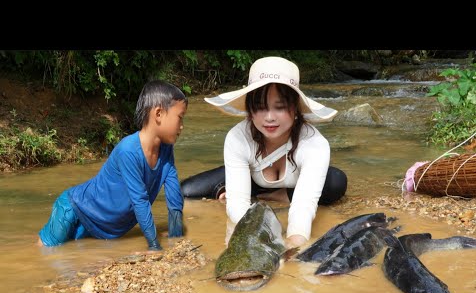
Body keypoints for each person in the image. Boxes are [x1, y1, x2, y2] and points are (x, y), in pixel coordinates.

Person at [202, 56, 347, 249]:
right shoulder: (237, 137)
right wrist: (252, 237)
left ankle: (282, 194)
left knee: (335, 181)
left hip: (293, 184)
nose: (269, 118)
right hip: (253, 177)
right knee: (188, 191)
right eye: (260, 108)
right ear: (250, 110)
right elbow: (237, 206)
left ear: (295, 109)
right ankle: (233, 187)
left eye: (279, 107)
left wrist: (294, 242)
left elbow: (303, 208)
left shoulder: (315, 144)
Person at [38, 80, 188, 250]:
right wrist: (154, 246)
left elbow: (173, 193)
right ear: (159, 114)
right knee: (45, 252)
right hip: (73, 210)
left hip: (100, 229)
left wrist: (176, 236)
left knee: (71, 258)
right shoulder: (128, 151)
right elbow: (140, 201)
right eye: (180, 117)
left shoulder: (166, 149)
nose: (182, 126)